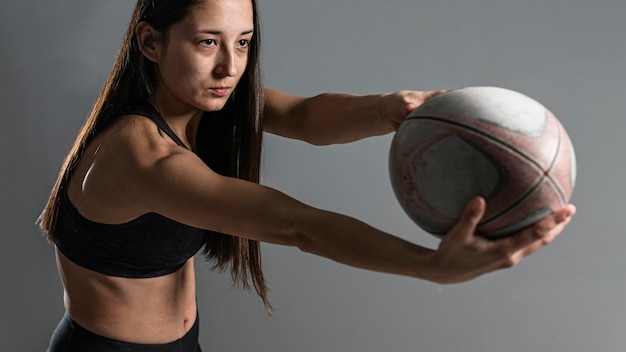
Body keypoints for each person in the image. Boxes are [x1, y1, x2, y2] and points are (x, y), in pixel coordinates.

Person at [39, 0, 576, 351]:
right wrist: (431, 266)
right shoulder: (140, 158)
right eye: (208, 43)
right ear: (151, 43)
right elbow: (297, 225)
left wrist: (393, 107)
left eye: (243, 41)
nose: (230, 66)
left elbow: (304, 117)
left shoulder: (203, 104)